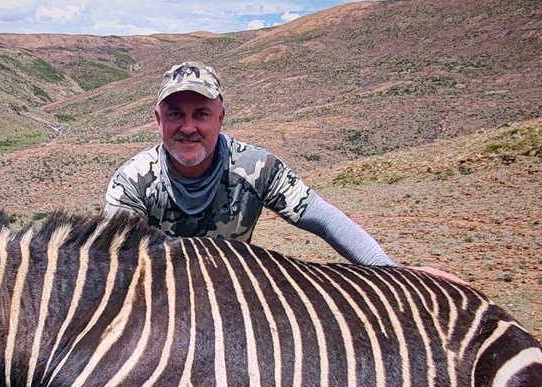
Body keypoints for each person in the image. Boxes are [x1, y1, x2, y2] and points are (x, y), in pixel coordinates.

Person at [104, 61, 394, 265]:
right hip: (162, 301)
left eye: (201, 114)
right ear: (158, 120)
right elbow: (120, 263)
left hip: (234, 298)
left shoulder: (256, 167)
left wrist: (393, 275)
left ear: (220, 117)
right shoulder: (132, 182)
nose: (188, 127)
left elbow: (324, 219)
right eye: (176, 114)